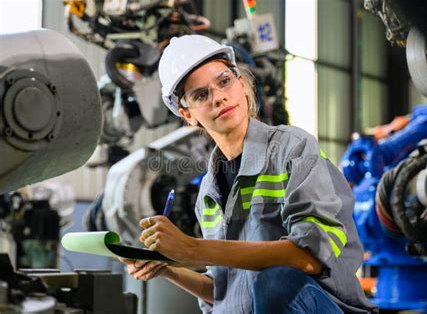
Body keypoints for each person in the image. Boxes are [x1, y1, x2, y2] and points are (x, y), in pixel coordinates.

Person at [120, 35, 377, 314]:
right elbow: (226, 293)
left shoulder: (293, 149)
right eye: (201, 95)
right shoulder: (208, 192)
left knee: (275, 280)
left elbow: (309, 258)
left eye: (224, 81)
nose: (218, 97)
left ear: (241, 84)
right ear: (187, 115)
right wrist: (168, 269)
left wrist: (192, 249)